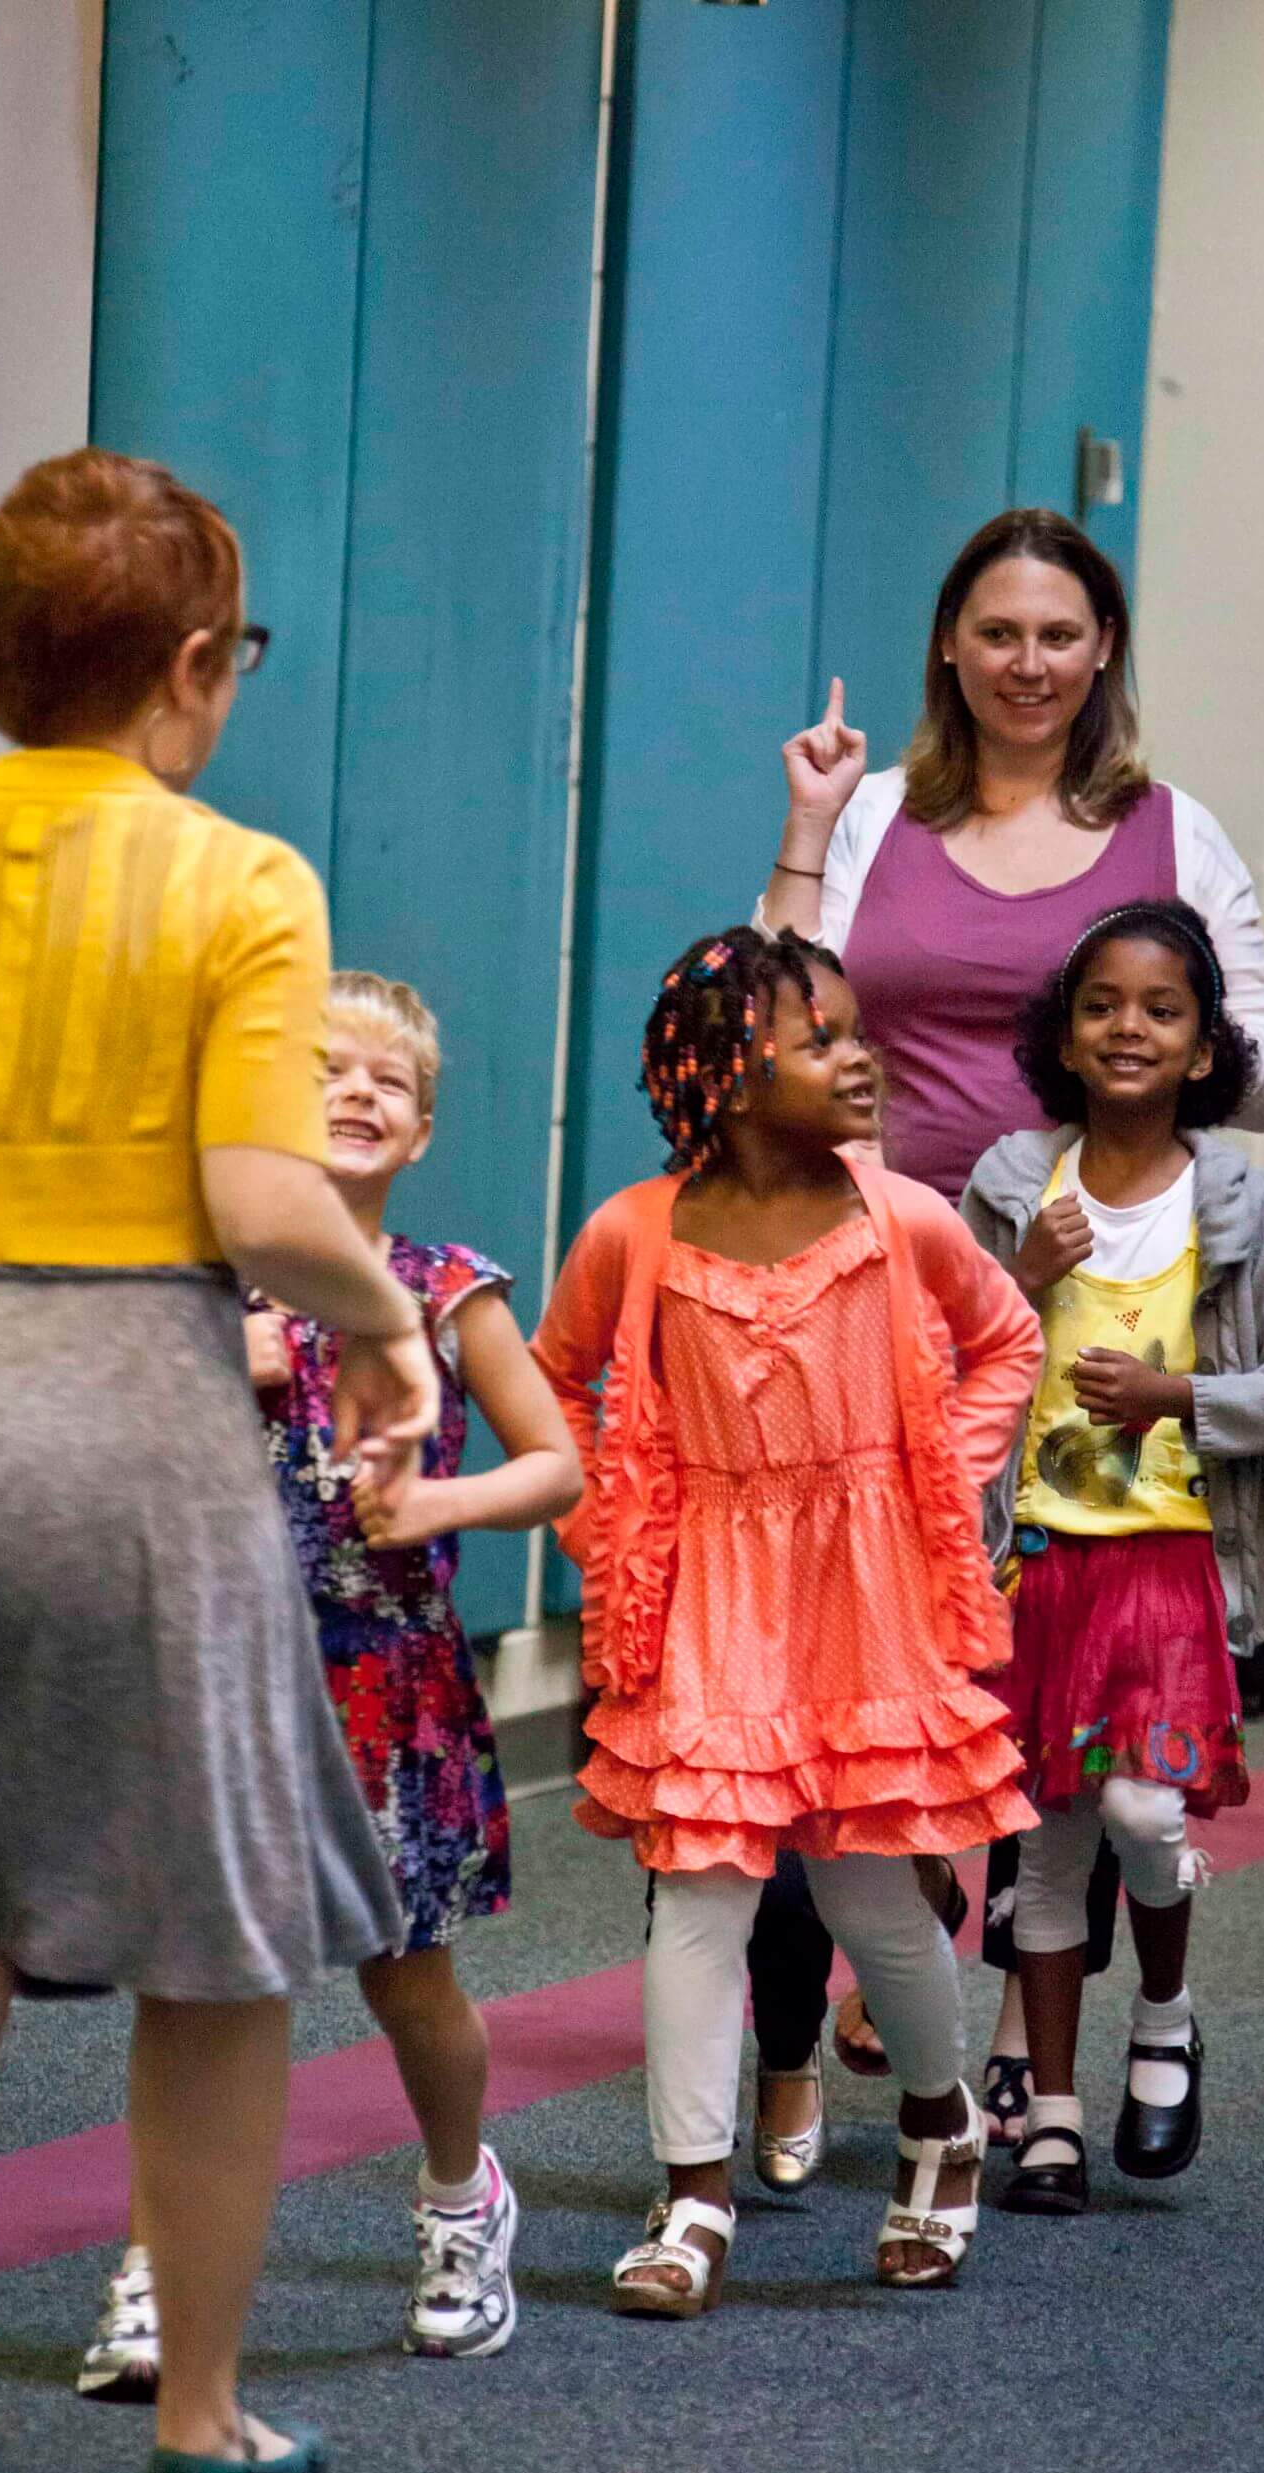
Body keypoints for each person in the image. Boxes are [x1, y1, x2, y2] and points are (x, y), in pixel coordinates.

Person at [0, 450, 440, 2473]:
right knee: (212, 1950)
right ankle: (206, 2420)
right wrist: (384, 1329)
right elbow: (260, 1198)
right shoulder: (237, 883)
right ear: (187, 667)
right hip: (133, 1432)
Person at [751, 506, 1264, 2166]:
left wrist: (1152, 1067)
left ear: (1104, 649)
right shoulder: (880, 819)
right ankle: (905, 1940)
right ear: (949, 647)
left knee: (1039, 1663)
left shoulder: (1173, 832)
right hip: (877, 1270)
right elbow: (768, 1007)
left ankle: (1010, 2032)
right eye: (999, 632)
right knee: (885, 1646)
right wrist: (808, 820)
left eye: (1061, 634)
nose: (1030, 663)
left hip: (1085, 1297)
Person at [78, 971, 580, 2397]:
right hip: (218, 1679)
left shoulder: (442, 1289)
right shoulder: (199, 1285)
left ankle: (458, 2201)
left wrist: (444, 1509)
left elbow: (559, 1464)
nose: (359, 1094)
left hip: (385, 1682)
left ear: (420, 1130)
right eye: (328, 1072)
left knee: (407, 1978)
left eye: (389, 1083)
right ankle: (160, 2268)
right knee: (195, 1986)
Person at [532, 926, 1043, 2311]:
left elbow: (1008, 1339)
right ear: (731, 1075)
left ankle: (939, 2127)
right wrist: (609, 1529)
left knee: (874, 1890)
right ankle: (693, 2192)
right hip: (710, 1600)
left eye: (853, 1029)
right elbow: (550, 1383)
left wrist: (941, 1464)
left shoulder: (901, 1215)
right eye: (822, 1040)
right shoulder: (634, 1232)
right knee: (698, 1897)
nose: (859, 1055)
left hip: (866, 1594)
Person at [958, 899, 1264, 2211]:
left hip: (1181, 1566)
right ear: (1064, 1034)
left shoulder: (1237, 1199)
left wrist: (1183, 1402)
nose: (1130, 1028)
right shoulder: (1017, 1185)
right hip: (1044, 1566)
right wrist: (1019, 1272)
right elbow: (948, 1364)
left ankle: (1168, 2013)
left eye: (1162, 1011)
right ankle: (1056, 2115)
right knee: (1050, 1847)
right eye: (1103, 1005)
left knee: (1146, 1812)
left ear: (1200, 1051)